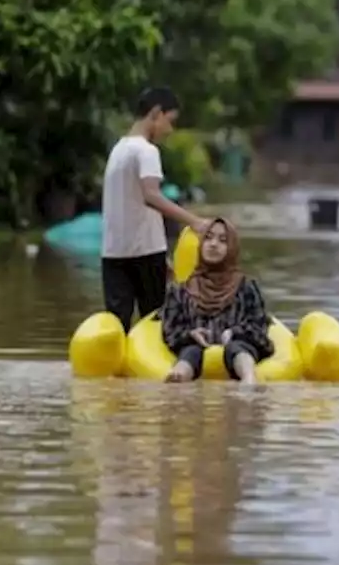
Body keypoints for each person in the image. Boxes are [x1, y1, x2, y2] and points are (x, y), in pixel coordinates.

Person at [101, 86, 211, 331]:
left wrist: (163, 258)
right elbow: (151, 196)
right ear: (156, 113)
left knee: (118, 329)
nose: (170, 130)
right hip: (144, 255)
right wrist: (195, 222)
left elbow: (131, 204)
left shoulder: (118, 150)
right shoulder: (147, 151)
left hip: (113, 254)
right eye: (169, 121)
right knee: (155, 328)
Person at [161, 218, 273, 384]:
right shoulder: (181, 291)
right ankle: (179, 376)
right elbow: (170, 330)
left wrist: (233, 333)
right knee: (191, 351)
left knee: (237, 347)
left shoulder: (246, 287)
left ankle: (249, 379)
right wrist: (191, 334)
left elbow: (259, 327)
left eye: (222, 240)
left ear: (231, 248)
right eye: (208, 238)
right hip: (194, 348)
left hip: (239, 345)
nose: (213, 244)